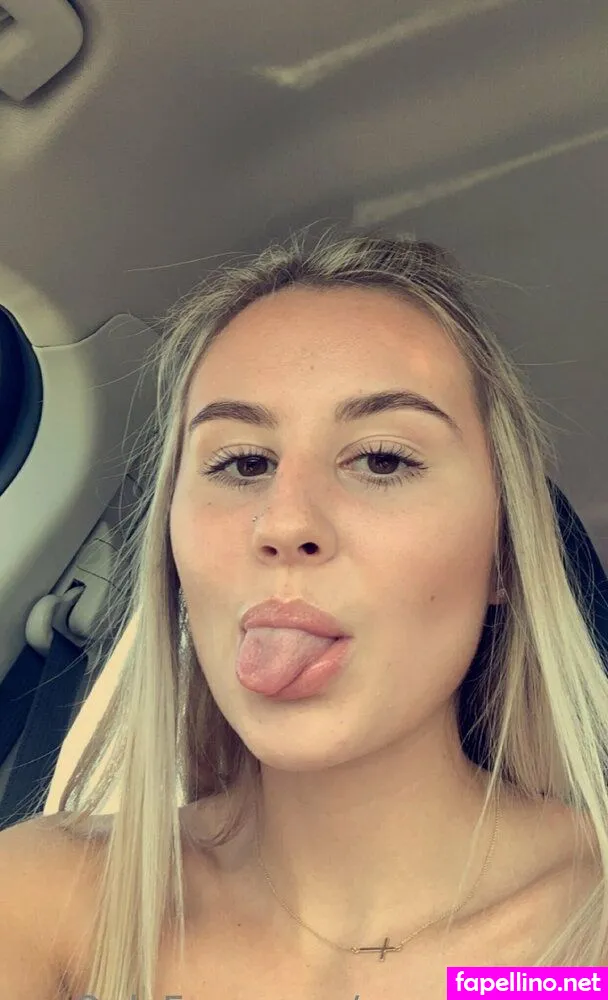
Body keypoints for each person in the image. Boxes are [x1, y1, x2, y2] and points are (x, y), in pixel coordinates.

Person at [1, 227, 607, 999]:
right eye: (243, 462)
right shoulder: (42, 903)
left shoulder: (589, 928)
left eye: (383, 459)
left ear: (502, 555)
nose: (285, 523)